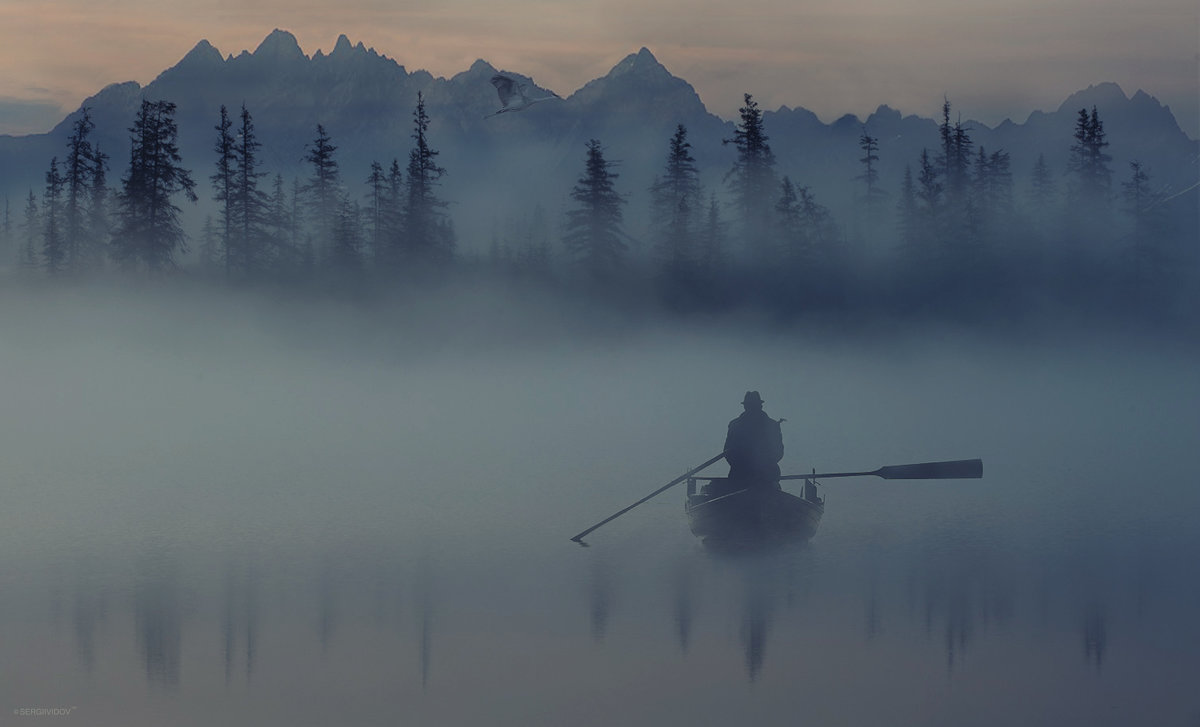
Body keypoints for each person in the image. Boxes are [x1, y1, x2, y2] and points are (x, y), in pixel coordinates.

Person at [723, 391, 784, 489]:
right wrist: (743, 466)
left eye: (753, 406)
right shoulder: (734, 425)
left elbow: (778, 452)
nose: (751, 409)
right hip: (740, 476)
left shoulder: (772, 426)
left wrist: (762, 465)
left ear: (760, 406)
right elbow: (728, 452)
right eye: (750, 406)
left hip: (767, 478)